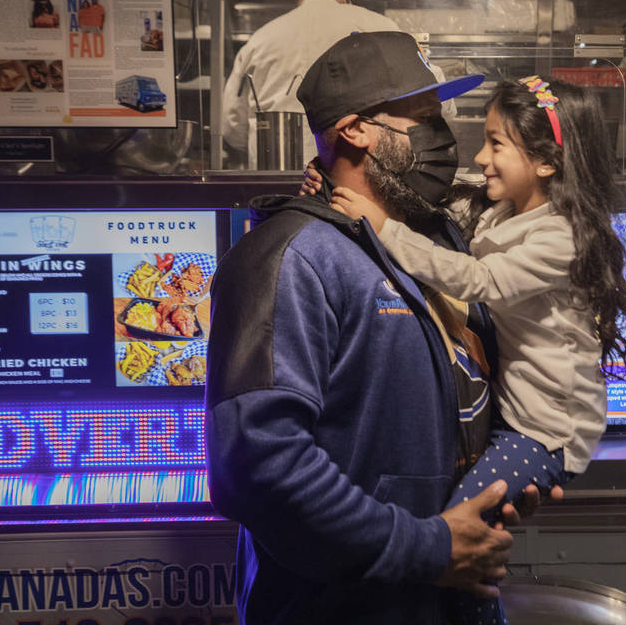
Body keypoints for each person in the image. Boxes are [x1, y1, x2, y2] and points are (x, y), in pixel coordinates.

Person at [206, 31, 558, 625]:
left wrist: (499, 481)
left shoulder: (436, 241)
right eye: (422, 116)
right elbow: (258, 467)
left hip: (451, 602)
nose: (444, 137)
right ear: (355, 130)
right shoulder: (288, 258)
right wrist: (428, 546)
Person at [328, 74, 626, 625]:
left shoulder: (558, 238)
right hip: (510, 416)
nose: (480, 156)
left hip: (543, 432)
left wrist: (380, 227)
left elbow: (478, 279)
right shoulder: (507, 210)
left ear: (545, 163)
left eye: (496, 143)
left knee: (460, 537)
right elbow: (447, 202)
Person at [221, 0, 401, 168]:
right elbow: (409, 102)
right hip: (355, 168)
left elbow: (232, 125)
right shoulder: (380, 26)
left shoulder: (261, 37)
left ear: (300, 2)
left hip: (276, 169)